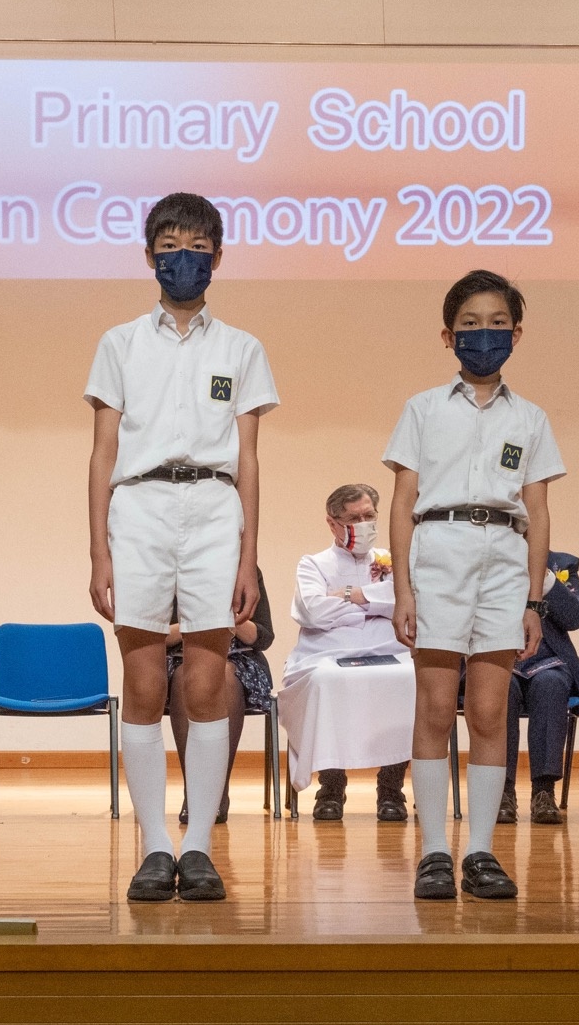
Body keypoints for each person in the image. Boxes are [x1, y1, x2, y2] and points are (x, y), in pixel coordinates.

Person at [87, 191, 279, 904]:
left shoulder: (242, 348)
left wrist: (247, 555)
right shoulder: (119, 342)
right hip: (138, 507)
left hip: (213, 510)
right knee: (142, 685)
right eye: (169, 246)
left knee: (205, 684)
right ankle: (154, 845)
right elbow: (102, 452)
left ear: (218, 257)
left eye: (197, 247)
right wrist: (99, 552)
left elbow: (249, 459)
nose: (183, 258)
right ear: (149, 256)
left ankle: (197, 843)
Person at [385, 268, 563, 902]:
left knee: (490, 711)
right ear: (447, 335)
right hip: (439, 552)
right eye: (469, 324)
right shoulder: (423, 408)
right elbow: (402, 503)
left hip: (504, 560)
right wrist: (403, 590)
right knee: (435, 708)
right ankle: (434, 850)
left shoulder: (531, 417)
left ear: (516, 334)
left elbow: (538, 512)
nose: (483, 334)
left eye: (496, 324)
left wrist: (534, 599)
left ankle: (481, 851)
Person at [281, 484, 411, 824]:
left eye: (369, 516)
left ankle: (391, 788)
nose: (363, 524)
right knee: (327, 680)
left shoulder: (391, 560)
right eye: (354, 519)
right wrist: (375, 605)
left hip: (388, 651)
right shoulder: (313, 564)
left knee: (409, 678)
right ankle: (331, 787)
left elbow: (408, 601)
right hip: (326, 654)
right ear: (332, 523)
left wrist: (351, 595)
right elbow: (313, 611)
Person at [167, 568, 271, 825]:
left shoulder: (246, 571)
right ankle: (193, 791)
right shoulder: (170, 568)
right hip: (183, 655)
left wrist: (227, 620)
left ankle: (218, 790)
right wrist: (196, 622)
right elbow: (158, 635)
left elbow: (264, 636)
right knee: (184, 676)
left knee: (223, 675)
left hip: (238, 658)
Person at [499, 550, 579, 825]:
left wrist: (546, 578)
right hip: (500, 655)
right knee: (502, 689)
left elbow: (574, 618)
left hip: (549, 659)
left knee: (550, 685)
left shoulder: (564, 564)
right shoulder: (490, 555)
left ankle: (544, 791)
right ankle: (502, 791)